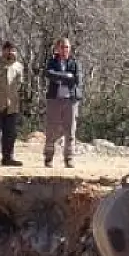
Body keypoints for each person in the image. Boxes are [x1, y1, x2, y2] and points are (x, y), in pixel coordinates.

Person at [43, 38, 82, 168]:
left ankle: (69, 158)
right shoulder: (52, 62)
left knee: (70, 130)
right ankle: (48, 158)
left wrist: (59, 77)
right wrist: (66, 76)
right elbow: (49, 74)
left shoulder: (74, 63)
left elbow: (77, 80)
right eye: (63, 47)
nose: (65, 49)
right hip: (54, 99)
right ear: (58, 48)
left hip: (70, 100)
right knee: (51, 129)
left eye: (67, 47)